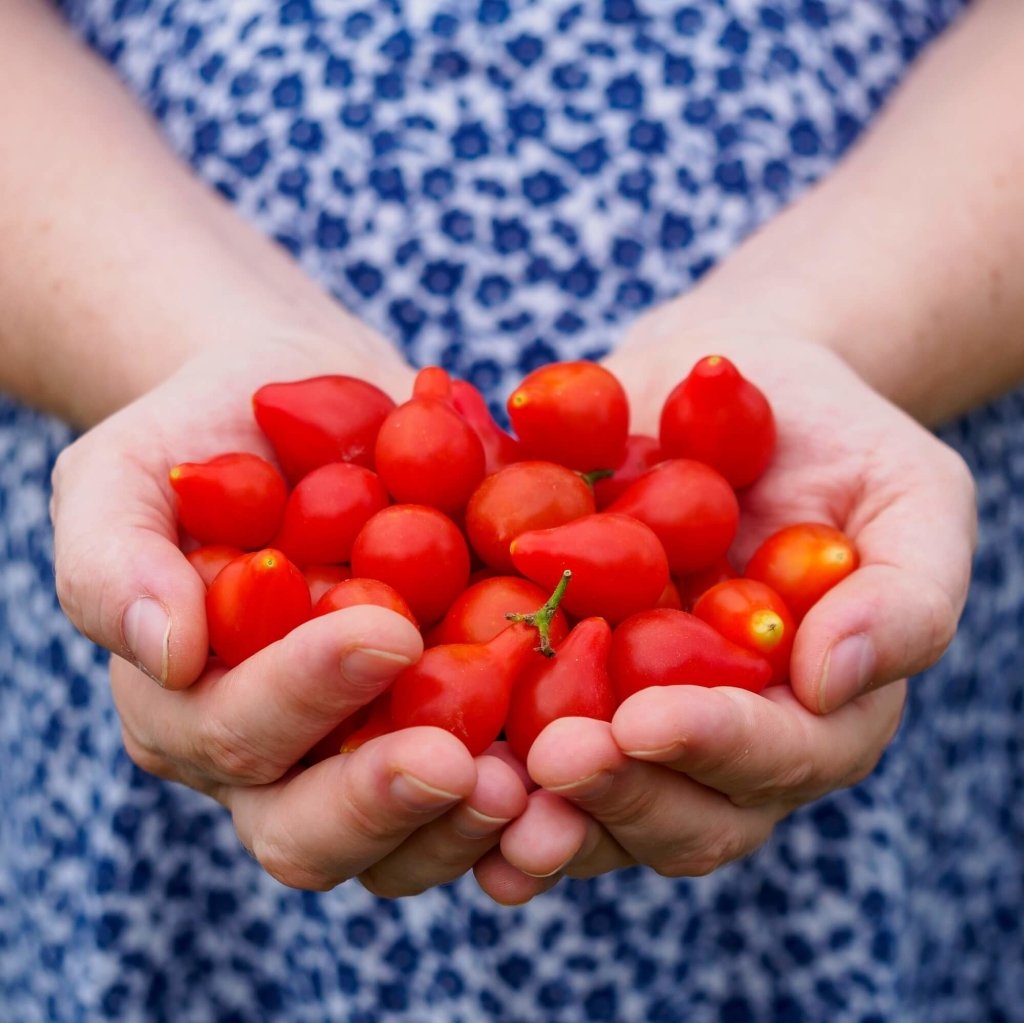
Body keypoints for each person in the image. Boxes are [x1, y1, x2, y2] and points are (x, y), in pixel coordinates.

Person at [1, 0, 1020, 1019]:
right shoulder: (483, 544)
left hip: (919, 320)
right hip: (108, 305)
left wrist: (832, 331)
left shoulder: (579, 542)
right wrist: (177, 338)